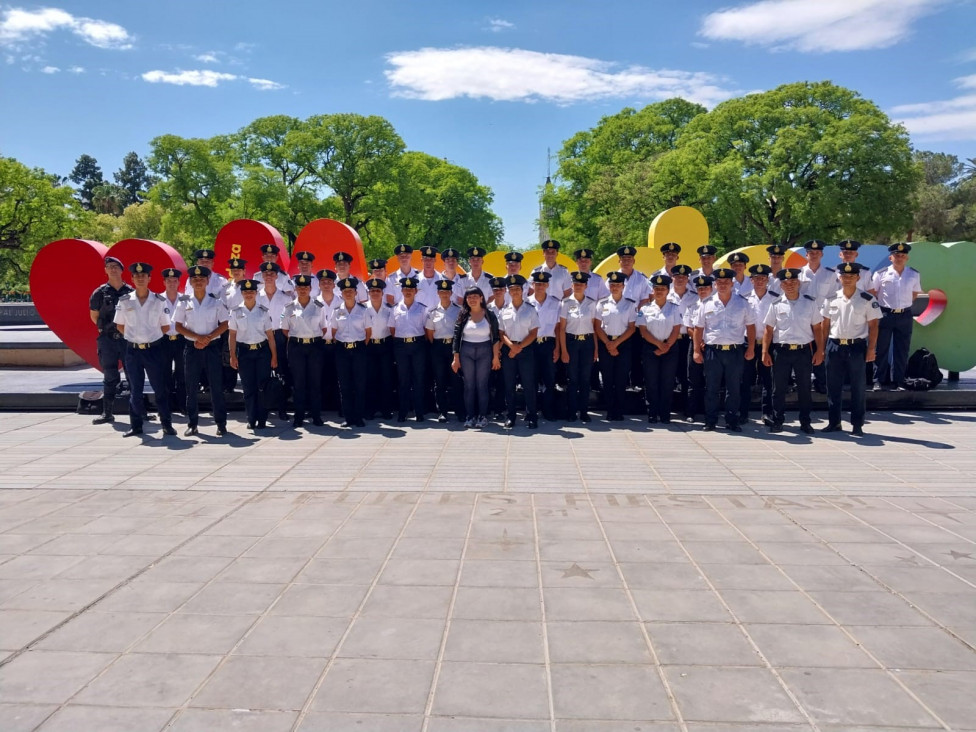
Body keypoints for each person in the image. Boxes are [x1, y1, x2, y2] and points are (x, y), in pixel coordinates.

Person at [113, 262, 177, 437]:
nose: (140, 278)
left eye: (143, 276)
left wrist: (151, 336)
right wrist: (135, 336)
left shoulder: (158, 301)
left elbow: (165, 326)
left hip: (153, 350)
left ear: (149, 278)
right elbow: (120, 325)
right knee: (135, 389)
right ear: (132, 279)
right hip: (133, 350)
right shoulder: (125, 301)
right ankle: (136, 425)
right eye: (136, 276)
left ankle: (166, 424)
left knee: (160, 388)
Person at [693, 268, 756, 432]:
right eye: (719, 282)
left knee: (734, 388)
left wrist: (751, 348)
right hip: (713, 351)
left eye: (726, 282)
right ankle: (711, 420)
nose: (722, 285)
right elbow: (698, 328)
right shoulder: (707, 304)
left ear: (732, 283)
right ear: (714, 284)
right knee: (712, 388)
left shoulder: (742, 303)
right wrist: (696, 351)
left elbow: (750, 327)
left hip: (735, 351)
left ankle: (732, 420)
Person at [762, 268, 824, 434]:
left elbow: (817, 328)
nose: (789, 285)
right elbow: (768, 329)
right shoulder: (775, 304)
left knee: (804, 388)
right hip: (781, 351)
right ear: (781, 285)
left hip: (803, 351)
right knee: (778, 389)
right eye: (786, 283)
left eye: (793, 282)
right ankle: (778, 420)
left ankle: (805, 422)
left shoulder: (809, 303)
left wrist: (820, 351)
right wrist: (765, 352)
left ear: (799, 283)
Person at [821, 262, 881, 436]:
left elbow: (874, 326)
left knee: (858, 387)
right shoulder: (831, 298)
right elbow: (825, 325)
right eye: (844, 276)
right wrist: (823, 348)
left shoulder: (867, 299)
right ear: (839, 278)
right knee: (832, 386)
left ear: (858, 278)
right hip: (834, 345)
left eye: (851, 276)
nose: (847, 279)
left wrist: (871, 349)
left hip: (856, 346)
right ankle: (834, 422)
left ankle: (857, 424)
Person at [173, 265, 228, 436]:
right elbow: (178, 326)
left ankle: (221, 424)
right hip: (192, 349)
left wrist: (208, 338)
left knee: (216, 387)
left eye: (201, 279)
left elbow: (225, 323)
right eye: (195, 279)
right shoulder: (184, 302)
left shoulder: (216, 301)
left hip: (212, 348)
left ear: (207, 281)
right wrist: (197, 338)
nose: (198, 282)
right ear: (190, 281)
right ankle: (193, 423)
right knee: (191, 388)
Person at [870, 242, 923, 391]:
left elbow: (914, 294)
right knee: (881, 349)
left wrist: (903, 306)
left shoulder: (913, 274)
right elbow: (874, 292)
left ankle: (898, 381)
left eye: (902, 256)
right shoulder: (881, 274)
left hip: (904, 314)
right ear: (890, 257)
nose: (899, 258)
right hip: (885, 314)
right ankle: (878, 380)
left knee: (902, 349)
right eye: (896, 255)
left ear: (907, 258)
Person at [228, 279, 278, 430]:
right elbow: (232, 336)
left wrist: (274, 356)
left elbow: (270, 336)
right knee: (248, 387)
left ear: (256, 293)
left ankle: (262, 419)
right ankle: (251, 418)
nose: (249, 294)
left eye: (251, 292)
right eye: (245, 292)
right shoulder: (236, 312)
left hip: (262, 352)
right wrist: (232, 355)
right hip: (244, 353)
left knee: (262, 387)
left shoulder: (263, 311)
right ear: (242, 293)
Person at [89, 255, 133, 425]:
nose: (113, 269)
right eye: (110, 266)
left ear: (122, 270)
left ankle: (139, 412)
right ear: (105, 270)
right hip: (108, 340)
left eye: (116, 266)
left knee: (133, 375)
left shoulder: (130, 291)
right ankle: (107, 413)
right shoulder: (99, 292)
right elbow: (94, 316)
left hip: (127, 339)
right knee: (110, 376)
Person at [280, 275, 327, 428]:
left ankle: (316, 416)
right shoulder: (289, 307)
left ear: (310, 289)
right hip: (297, 347)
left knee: (315, 382)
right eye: (299, 287)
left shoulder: (318, 307)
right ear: (295, 289)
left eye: (305, 287)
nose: (302, 290)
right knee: (299, 383)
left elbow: (324, 327)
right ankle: (298, 417)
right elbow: (285, 330)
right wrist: (299, 337)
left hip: (315, 347)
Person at [452, 286, 501, 428]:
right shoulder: (463, 315)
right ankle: (470, 415)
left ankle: (482, 416)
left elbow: (496, 337)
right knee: (469, 385)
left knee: (482, 385)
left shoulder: (489, 314)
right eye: (469, 297)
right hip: (466, 351)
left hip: (485, 351)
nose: (472, 299)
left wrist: (496, 357)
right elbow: (456, 337)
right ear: (466, 300)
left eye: (475, 296)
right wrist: (456, 358)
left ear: (481, 298)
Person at [636, 274, 682, 424]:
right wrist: (658, 344)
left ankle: (665, 414)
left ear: (668, 291)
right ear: (652, 291)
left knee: (667, 382)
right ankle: (652, 413)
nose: (659, 291)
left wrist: (666, 346)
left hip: (670, 348)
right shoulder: (645, 308)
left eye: (662, 289)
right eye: (656, 289)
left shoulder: (674, 308)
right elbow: (643, 331)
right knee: (651, 382)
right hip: (650, 349)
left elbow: (676, 329)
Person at [498, 274, 540, 429]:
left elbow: (534, 333)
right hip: (509, 351)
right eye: (511, 289)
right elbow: (501, 333)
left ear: (522, 290)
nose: (514, 291)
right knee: (509, 386)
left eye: (517, 289)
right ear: (508, 291)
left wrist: (519, 347)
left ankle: (531, 416)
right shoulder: (504, 311)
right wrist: (511, 347)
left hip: (525, 350)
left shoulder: (530, 310)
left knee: (529, 385)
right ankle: (511, 416)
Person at [595, 271, 637, 421]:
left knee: (621, 379)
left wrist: (616, 344)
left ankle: (619, 410)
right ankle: (609, 410)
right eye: (612, 285)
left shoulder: (630, 304)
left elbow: (632, 327)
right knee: (607, 379)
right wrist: (608, 343)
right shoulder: (602, 303)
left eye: (618, 285)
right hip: (605, 343)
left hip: (623, 344)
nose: (615, 287)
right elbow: (597, 326)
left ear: (623, 286)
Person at [332, 277, 372, 428]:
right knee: (345, 385)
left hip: (359, 349)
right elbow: (334, 332)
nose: (348, 293)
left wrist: (359, 345)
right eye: (345, 291)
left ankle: (359, 417)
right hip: (342, 350)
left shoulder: (363, 311)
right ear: (341, 293)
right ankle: (348, 417)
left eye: (351, 291)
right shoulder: (337, 311)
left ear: (356, 292)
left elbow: (368, 332)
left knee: (360, 384)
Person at [559, 271, 598, 423]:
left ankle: (584, 411)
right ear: (572, 285)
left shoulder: (591, 303)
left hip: (587, 343)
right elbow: (562, 329)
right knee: (572, 379)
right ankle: (572, 411)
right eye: (576, 284)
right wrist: (564, 350)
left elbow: (594, 327)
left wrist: (595, 349)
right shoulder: (566, 303)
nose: (578, 286)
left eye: (581, 284)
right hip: (571, 342)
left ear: (586, 286)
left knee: (585, 379)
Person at [798, 239, 835, 393]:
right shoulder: (798, 274)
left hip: (822, 318)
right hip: (803, 319)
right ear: (806, 255)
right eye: (811, 253)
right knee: (804, 352)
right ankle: (803, 382)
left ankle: (821, 383)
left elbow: (833, 297)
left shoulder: (830, 275)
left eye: (817, 253)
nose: (814, 255)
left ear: (822, 254)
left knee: (821, 350)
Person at [741, 264, 776, 426]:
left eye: (763, 278)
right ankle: (743, 412)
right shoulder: (744, 298)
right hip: (749, 343)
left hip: (769, 344)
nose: (760, 281)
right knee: (745, 379)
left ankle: (767, 413)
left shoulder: (776, 298)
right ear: (751, 280)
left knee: (768, 380)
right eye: (757, 278)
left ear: (768, 280)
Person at [390, 276, 428, 422]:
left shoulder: (422, 309)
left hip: (418, 345)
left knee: (418, 379)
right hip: (401, 346)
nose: (408, 292)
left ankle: (419, 412)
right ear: (401, 290)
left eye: (411, 289)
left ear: (415, 291)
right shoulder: (395, 309)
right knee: (403, 379)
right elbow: (392, 329)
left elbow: (426, 328)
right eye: (405, 289)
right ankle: (403, 412)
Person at [259, 261, 293, 421]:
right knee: (263, 374)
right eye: (266, 274)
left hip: (279, 335)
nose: (269, 276)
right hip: (262, 337)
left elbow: (287, 319)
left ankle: (282, 408)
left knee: (282, 374)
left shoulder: (285, 297)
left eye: (272, 274)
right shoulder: (256, 296)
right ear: (262, 276)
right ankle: (264, 409)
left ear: (277, 276)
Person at [425, 279, 462, 423]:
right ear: (438, 293)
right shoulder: (433, 312)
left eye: (447, 292)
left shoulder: (458, 310)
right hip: (438, 348)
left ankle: (460, 411)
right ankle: (442, 412)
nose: (444, 294)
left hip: (453, 348)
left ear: (451, 293)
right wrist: (437, 347)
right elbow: (430, 333)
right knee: (439, 381)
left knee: (456, 380)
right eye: (442, 292)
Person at [528, 271, 562, 421]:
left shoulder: (555, 303)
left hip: (548, 343)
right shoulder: (526, 302)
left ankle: (548, 411)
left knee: (549, 379)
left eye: (543, 284)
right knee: (531, 379)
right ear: (532, 285)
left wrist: (558, 348)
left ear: (547, 285)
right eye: (537, 284)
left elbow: (558, 328)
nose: (540, 286)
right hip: (531, 343)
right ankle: (532, 412)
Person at [363, 277, 395, 419]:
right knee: (370, 378)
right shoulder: (363, 308)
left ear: (382, 293)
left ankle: (386, 409)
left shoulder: (389, 309)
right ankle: (370, 409)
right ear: (368, 293)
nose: (375, 293)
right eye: (372, 291)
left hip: (385, 345)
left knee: (386, 378)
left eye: (378, 290)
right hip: (369, 346)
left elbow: (392, 328)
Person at [668, 264, 697, 414]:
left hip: (687, 339)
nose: (680, 280)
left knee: (687, 376)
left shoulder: (695, 297)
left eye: (683, 277)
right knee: (668, 375)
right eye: (677, 277)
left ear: (688, 279)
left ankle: (688, 410)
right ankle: (668, 409)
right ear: (672, 278)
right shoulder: (665, 295)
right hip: (668, 341)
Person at [684, 274, 713, 422]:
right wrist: (699, 341)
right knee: (693, 379)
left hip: (711, 346)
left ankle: (708, 411)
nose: (702, 291)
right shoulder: (692, 306)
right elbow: (689, 327)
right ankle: (691, 412)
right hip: (694, 345)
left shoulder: (716, 305)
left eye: (705, 288)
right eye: (700, 288)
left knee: (710, 380)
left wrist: (705, 341)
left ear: (711, 289)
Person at [159, 268, 186, 414]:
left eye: (174, 281)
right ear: (164, 282)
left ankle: (183, 404)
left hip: (181, 340)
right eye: (168, 281)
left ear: (178, 282)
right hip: (164, 340)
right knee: (165, 373)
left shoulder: (185, 299)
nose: (171, 283)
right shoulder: (158, 300)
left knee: (182, 373)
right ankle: (167, 406)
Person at [316, 268, 341, 414]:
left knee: (338, 376)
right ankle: (320, 407)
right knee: (318, 377)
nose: (326, 284)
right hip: (319, 345)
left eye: (329, 282)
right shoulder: (314, 303)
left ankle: (339, 406)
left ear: (334, 285)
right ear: (319, 285)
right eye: (323, 282)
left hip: (337, 344)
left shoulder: (341, 302)